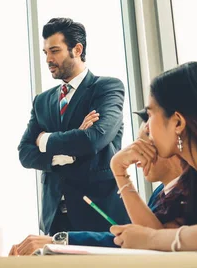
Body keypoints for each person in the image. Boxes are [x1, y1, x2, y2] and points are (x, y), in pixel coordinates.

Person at [9, 109, 197, 255]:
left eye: (143, 143)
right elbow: (140, 240)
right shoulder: (160, 193)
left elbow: (150, 242)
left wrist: (58, 240)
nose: (136, 156)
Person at [110, 62, 197, 252]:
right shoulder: (196, 180)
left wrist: (151, 238)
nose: (147, 127)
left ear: (177, 122)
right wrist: (119, 172)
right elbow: (160, 241)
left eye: (150, 114)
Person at [18, 17, 129, 235]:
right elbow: (24, 153)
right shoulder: (42, 101)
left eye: (55, 51)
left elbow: (94, 139)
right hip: (55, 219)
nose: (48, 59)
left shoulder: (107, 88)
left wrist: (45, 140)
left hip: (99, 216)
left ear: (77, 50)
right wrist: (63, 152)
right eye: (45, 52)